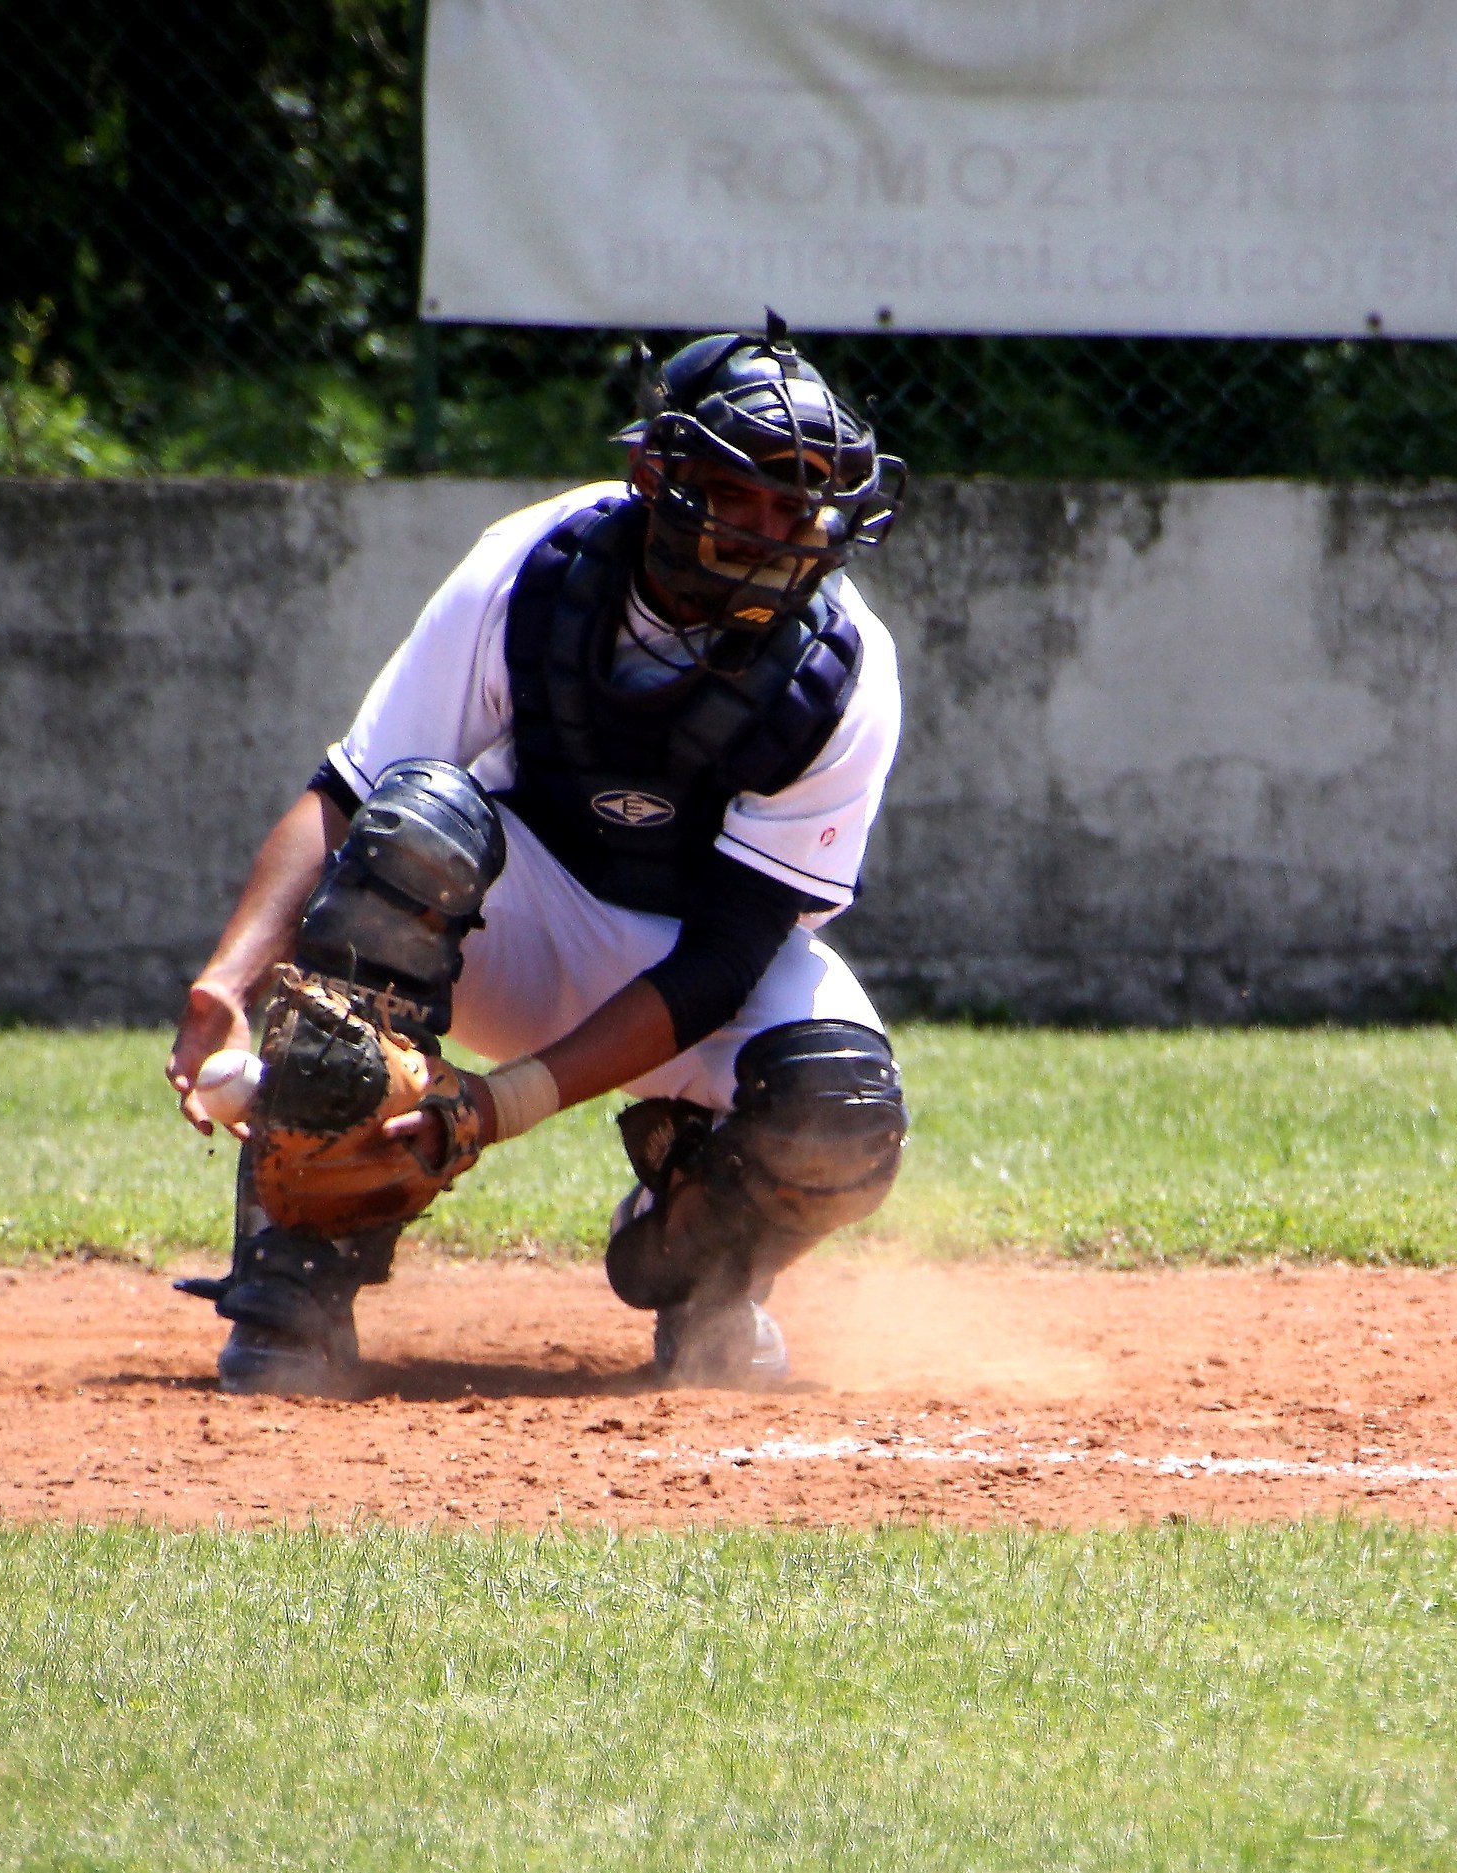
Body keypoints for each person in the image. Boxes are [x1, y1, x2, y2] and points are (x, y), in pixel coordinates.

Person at [164, 318, 911, 1399]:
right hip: (513, 923)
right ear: (655, 473)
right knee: (413, 820)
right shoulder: (539, 565)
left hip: (692, 973)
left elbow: (726, 960)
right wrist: (225, 981)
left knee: (841, 1104)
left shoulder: (843, 670)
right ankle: (300, 1268)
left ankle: (700, 1267)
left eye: (796, 504)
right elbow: (346, 792)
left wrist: (503, 1103)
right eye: (738, 492)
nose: (770, 530)